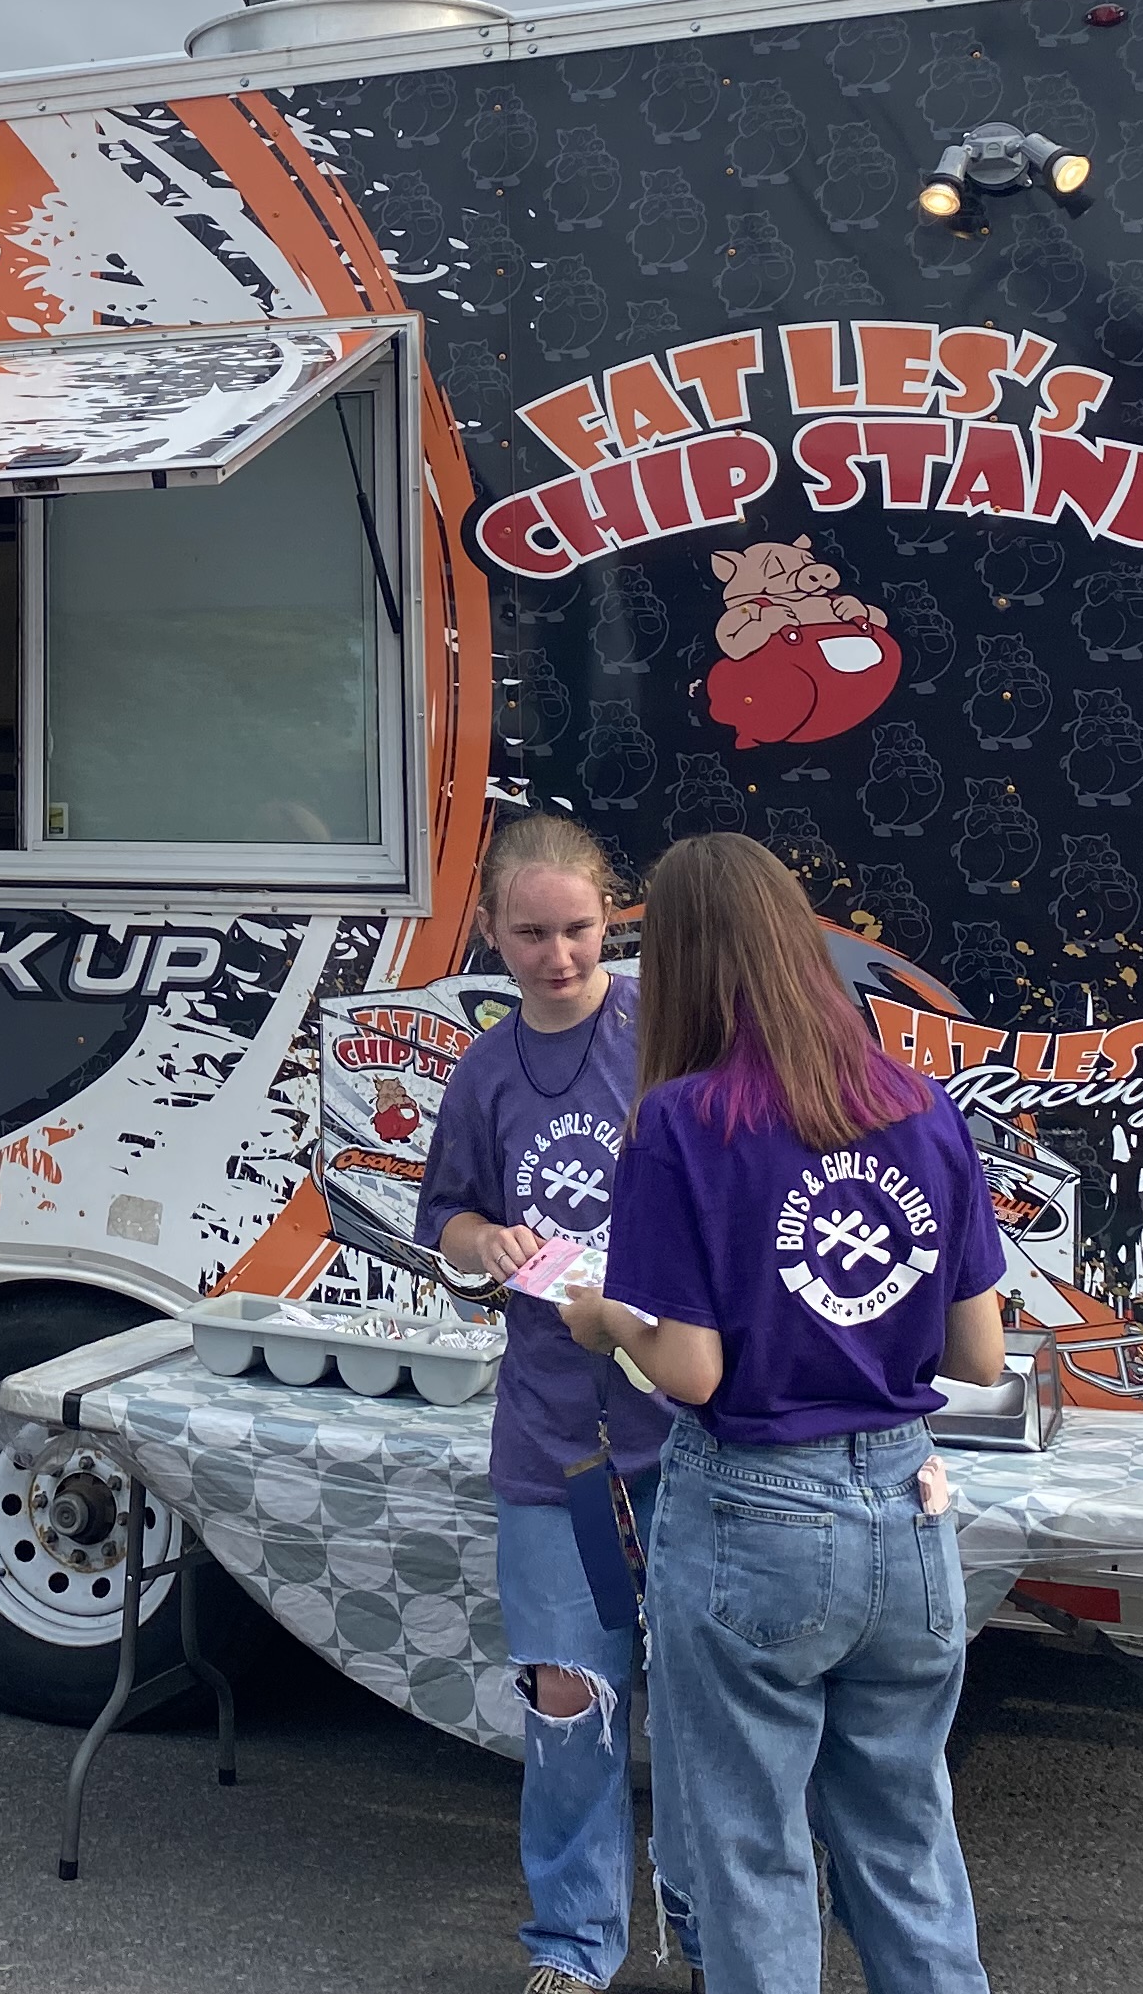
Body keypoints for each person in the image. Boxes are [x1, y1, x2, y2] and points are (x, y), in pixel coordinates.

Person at [565, 834, 1005, 1994]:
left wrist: (605, 1317)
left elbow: (693, 1373)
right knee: (906, 1840)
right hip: (912, 1510)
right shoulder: (925, 1105)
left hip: (756, 1509)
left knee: (751, 1852)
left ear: (685, 965)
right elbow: (980, 1350)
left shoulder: (681, 1122)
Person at [413, 814, 664, 1994]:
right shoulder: (486, 1070)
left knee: (709, 1704)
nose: (558, 955)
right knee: (571, 1692)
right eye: (531, 934)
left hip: (689, 1429)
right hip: (557, 1438)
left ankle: (718, 1930)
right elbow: (446, 1221)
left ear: (613, 913)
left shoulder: (666, 1036)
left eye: (577, 928)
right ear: (491, 935)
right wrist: (488, 1240)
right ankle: (573, 1945)